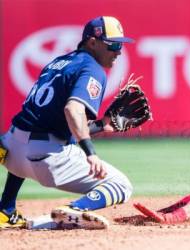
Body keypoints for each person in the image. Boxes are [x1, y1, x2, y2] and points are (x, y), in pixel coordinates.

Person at [0, 16, 137, 229]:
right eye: (114, 45)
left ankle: (5, 210)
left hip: (9, 151)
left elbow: (52, 120)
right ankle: (76, 209)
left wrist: (101, 125)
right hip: (45, 160)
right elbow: (72, 110)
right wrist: (90, 153)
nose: (119, 51)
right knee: (122, 185)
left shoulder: (57, 62)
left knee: (28, 139)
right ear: (93, 42)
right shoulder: (93, 69)